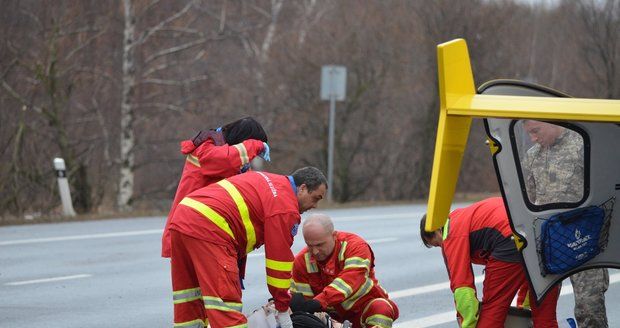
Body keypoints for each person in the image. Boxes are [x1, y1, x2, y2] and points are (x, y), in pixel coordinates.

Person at [168, 166, 327, 328]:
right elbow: (278, 263)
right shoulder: (285, 207)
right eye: (316, 198)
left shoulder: (271, 180)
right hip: (210, 228)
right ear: (302, 188)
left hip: (183, 217)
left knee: (188, 299)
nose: (315, 206)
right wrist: (283, 308)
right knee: (226, 307)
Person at [420, 197, 560, 328]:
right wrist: (524, 310)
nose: (442, 248)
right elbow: (525, 273)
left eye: (437, 244)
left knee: (493, 310)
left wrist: (468, 324)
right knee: (545, 314)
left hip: (508, 239)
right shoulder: (464, 217)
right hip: (540, 234)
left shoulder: (451, 233)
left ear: (437, 231)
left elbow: (463, 288)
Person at [522, 120, 609, 328]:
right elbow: (528, 202)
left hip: (583, 240)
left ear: (549, 122)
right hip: (550, 242)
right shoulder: (532, 156)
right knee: (539, 305)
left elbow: (605, 191)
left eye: (536, 131)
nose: (533, 138)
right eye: (529, 134)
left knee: (589, 308)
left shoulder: (583, 146)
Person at [161, 116, 270, 258]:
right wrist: (256, 145)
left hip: (206, 231)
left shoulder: (232, 158)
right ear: (243, 141)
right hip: (193, 228)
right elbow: (225, 160)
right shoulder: (207, 148)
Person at [290, 213, 399, 328]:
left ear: (334, 235)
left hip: (362, 310)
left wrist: (319, 301)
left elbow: (350, 280)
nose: (315, 251)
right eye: (310, 245)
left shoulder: (356, 247)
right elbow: (305, 303)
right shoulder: (301, 261)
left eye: (320, 245)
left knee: (381, 308)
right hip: (331, 318)